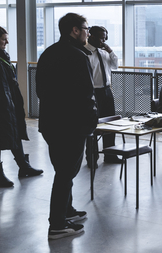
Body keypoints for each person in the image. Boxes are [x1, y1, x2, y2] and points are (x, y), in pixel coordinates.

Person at [36, 13, 98, 240]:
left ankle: (67, 211)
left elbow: (40, 92)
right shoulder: (77, 56)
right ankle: (58, 225)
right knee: (65, 173)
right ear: (74, 30)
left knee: (64, 170)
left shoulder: (48, 53)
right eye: (86, 28)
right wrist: (91, 123)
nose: (88, 33)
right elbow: (86, 95)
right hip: (72, 126)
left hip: (52, 124)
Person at [0, 26, 43, 188]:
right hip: (3, 106)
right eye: (4, 39)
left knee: (14, 134)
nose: (7, 42)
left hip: (10, 104)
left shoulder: (3, 57)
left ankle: (24, 166)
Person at [84, 25, 121, 168]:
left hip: (107, 91)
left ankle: (110, 154)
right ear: (90, 36)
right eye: (100, 38)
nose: (102, 41)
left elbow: (116, 65)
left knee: (110, 124)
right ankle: (92, 158)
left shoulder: (105, 52)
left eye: (104, 38)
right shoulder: (85, 52)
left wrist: (110, 51)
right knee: (93, 125)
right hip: (93, 92)